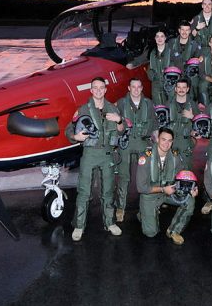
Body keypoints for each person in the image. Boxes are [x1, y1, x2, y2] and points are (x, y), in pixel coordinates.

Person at [66, 77, 124, 241]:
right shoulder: (83, 110)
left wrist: (119, 120)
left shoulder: (113, 109)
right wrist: (75, 136)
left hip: (107, 154)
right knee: (84, 191)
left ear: (105, 90)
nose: (98, 91)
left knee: (108, 191)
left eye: (101, 88)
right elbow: (69, 129)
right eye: (95, 88)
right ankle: (79, 225)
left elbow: (121, 130)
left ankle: (110, 222)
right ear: (91, 91)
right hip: (90, 154)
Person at [136, 128, 198, 245]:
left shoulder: (175, 157)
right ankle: (143, 213)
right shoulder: (146, 157)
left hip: (170, 191)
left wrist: (192, 188)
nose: (166, 143)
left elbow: (185, 175)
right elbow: (141, 187)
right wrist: (163, 189)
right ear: (157, 139)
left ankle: (174, 230)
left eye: (170, 141)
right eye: (163, 139)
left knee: (189, 200)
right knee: (151, 233)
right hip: (150, 195)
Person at [114, 77, 156, 223]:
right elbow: (115, 125)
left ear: (142, 88)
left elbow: (155, 126)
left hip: (143, 142)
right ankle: (121, 207)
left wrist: (156, 146)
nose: (136, 89)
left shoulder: (149, 104)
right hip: (126, 142)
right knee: (124, 176)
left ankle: (145, 208)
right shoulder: (121, 103)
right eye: (134, 86)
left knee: (144, 176)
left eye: (139, 86)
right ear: (129, 88)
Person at [166, 78, 199, 170]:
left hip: (186, 142)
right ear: (175, 89)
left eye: (184, 87)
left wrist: (192, 117)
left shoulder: (192, 104)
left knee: (187, 169)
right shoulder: (168, 104)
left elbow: (200, 125)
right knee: (170, 168)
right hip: (170, 141)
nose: (181, 90)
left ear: (187, 89)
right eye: (179, 87)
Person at [147, 29, 172, 104]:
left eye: (162, 36)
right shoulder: (152, 52)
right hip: (156, 83)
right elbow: (149, 66)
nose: (159, 39)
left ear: (165, 38)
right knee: (158, 108)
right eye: (157, 36)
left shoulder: (172, 51)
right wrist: (150, 74)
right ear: (155, 38)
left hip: (170, 82)